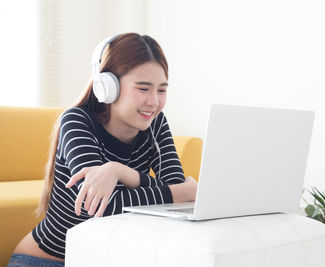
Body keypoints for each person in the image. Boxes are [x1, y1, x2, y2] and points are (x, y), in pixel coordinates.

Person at [8, 33, 198, 267]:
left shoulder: (156, 123)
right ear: (108, 87)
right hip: (46, 261)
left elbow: (178, 197)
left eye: (161, 90)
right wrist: (181, 192)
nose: (154, 102)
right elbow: (100, 208)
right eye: (143, 89)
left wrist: (122, 172)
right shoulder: (78, 121)